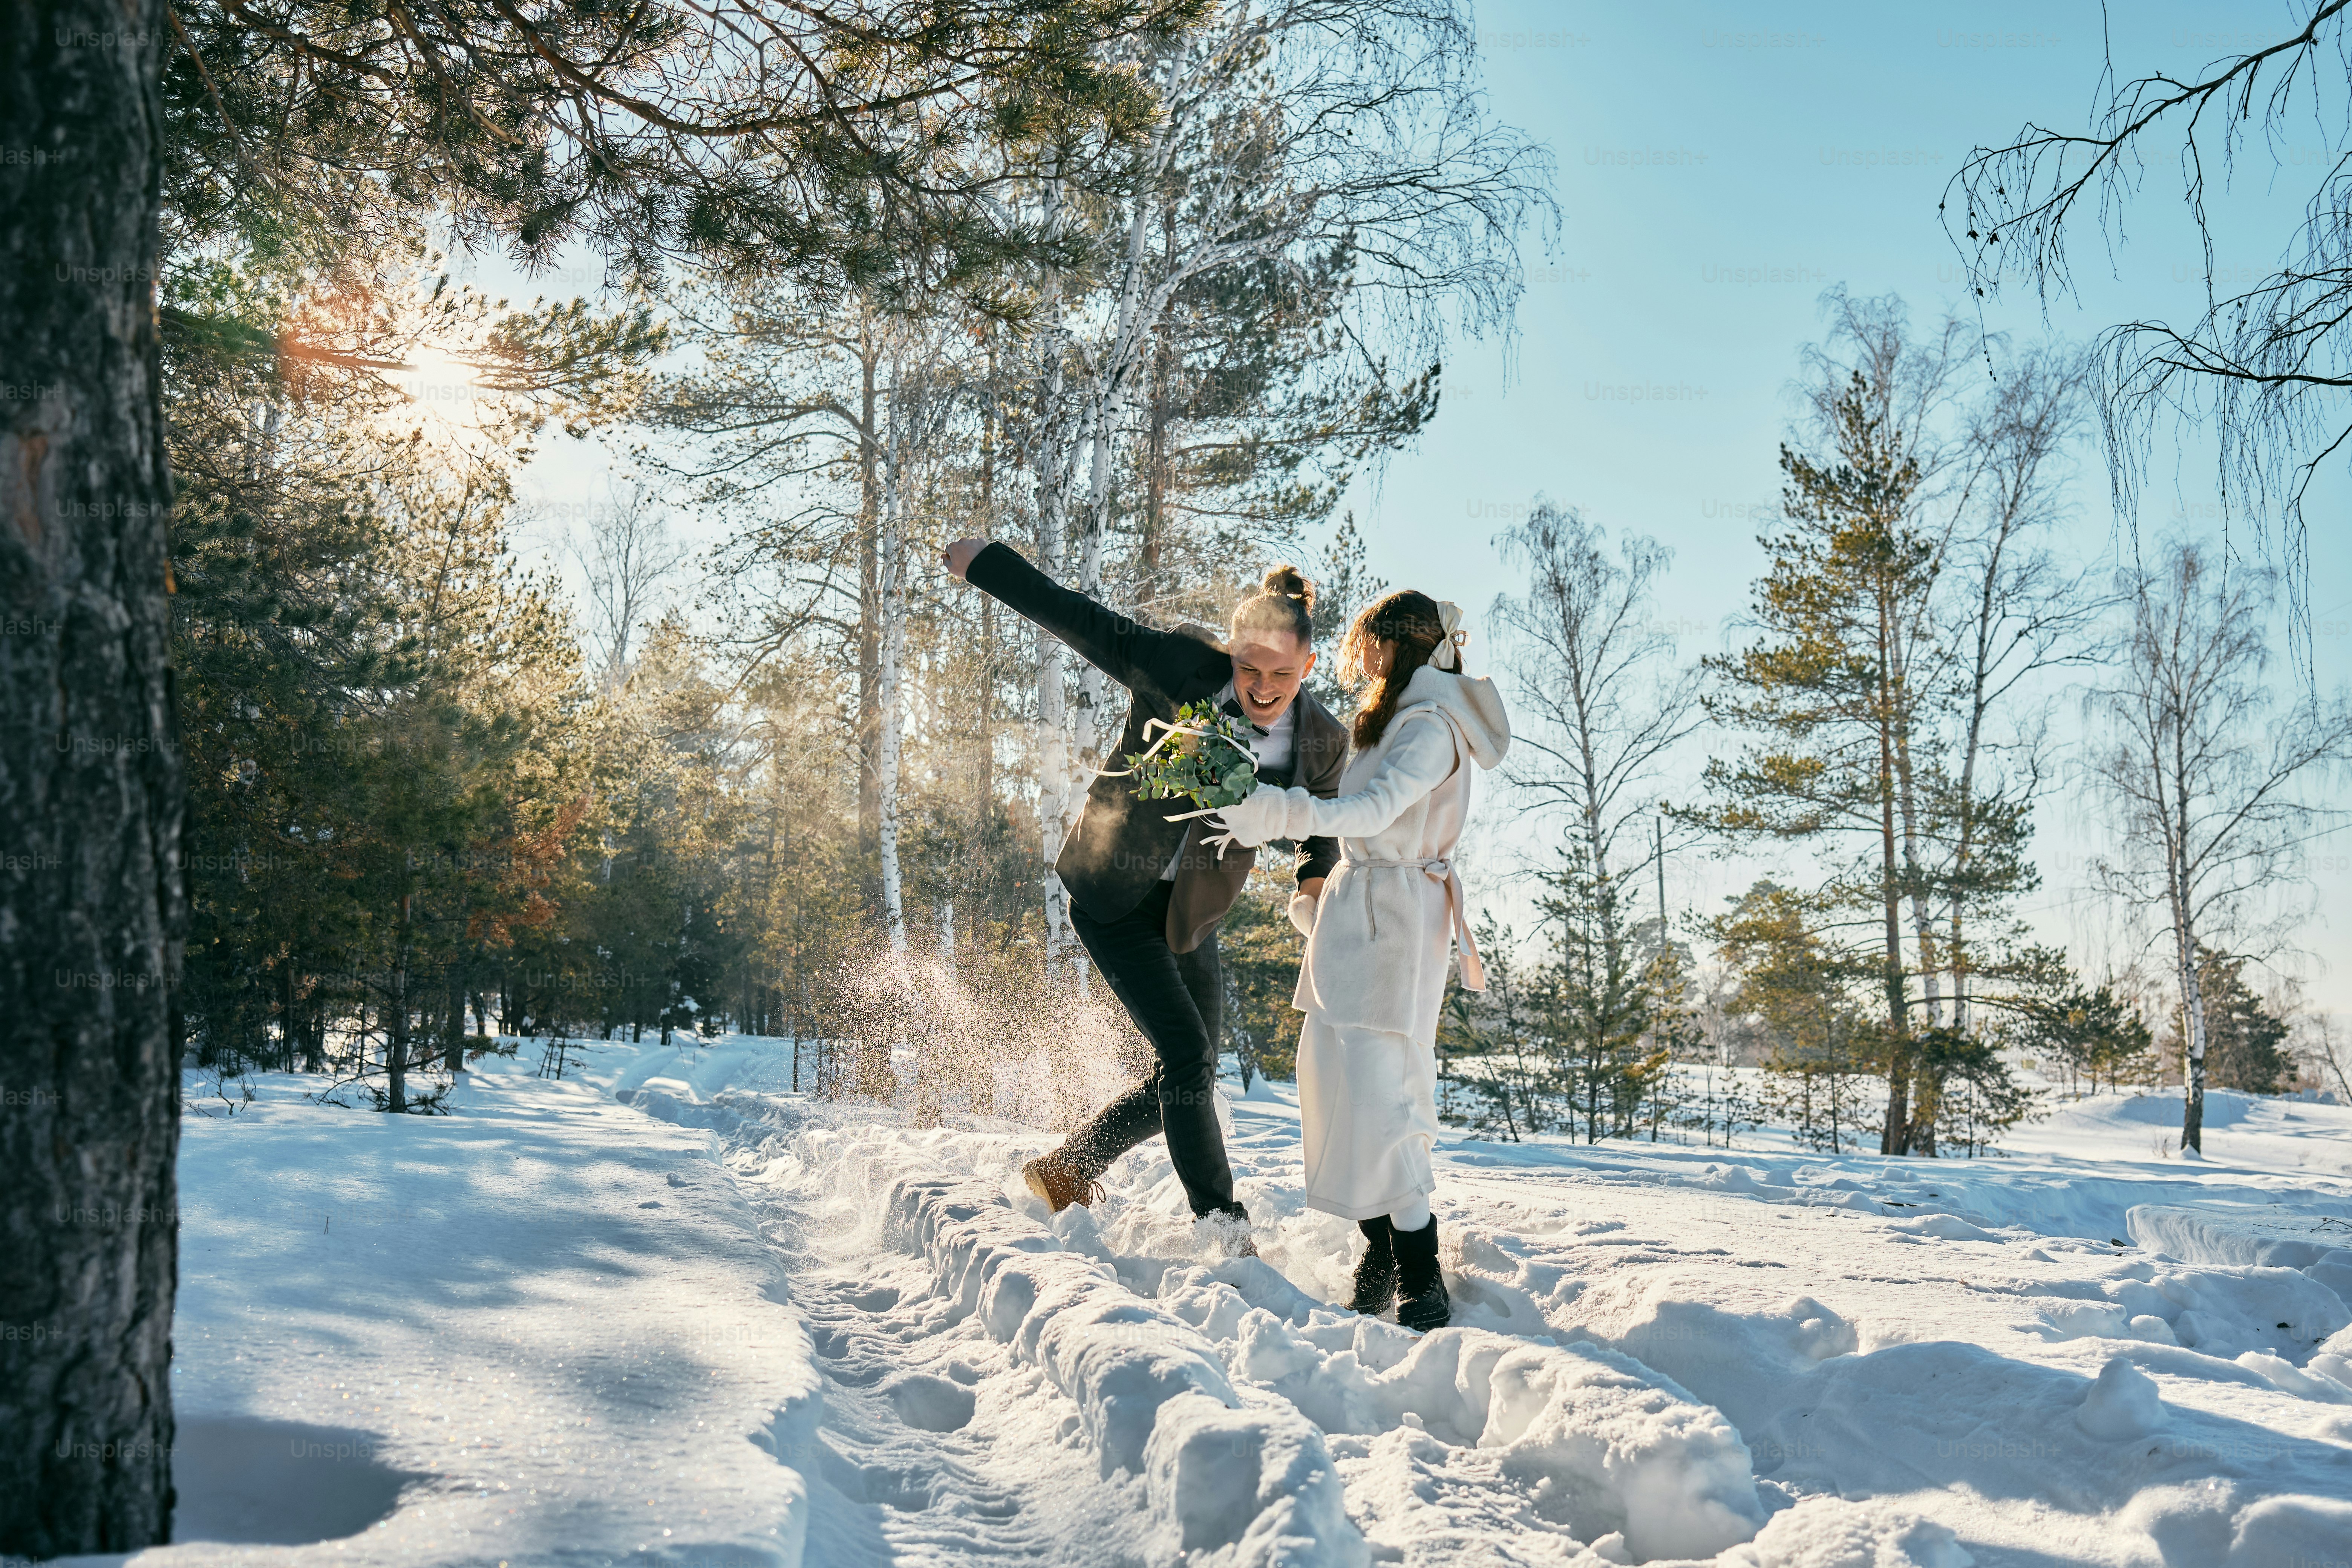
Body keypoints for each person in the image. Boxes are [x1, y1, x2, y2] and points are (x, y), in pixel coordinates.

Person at [940, 537, 1348, 1246]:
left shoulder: (1321, 741)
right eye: (1249, 667)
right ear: (1230, 653)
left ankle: (1069, 1168)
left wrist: (1314, 880)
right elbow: (1083, 620)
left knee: (1188, 1073)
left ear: (1307, 666)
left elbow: (1324, 824)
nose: (1261, 687)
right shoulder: (1178, 668)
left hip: (1192, 915)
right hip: (1115, 894)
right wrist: (988, 565)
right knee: (1188, 1057)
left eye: (1281, 674)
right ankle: (1222, 1226)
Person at [1201, 590, 1508, 1330]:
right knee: (1332, 1083)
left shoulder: (1431, 727)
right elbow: (1354, 823)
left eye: (1369, 639)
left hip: (1398, 918)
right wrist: (1315, 898)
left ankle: (1420, 1270)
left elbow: (1374, 816)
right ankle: (1379, 1249)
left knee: (1386, 1095)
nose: (1356, 652)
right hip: (1356, 916)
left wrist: (1287, 814)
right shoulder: (1389, 718)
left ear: (1398, 642)